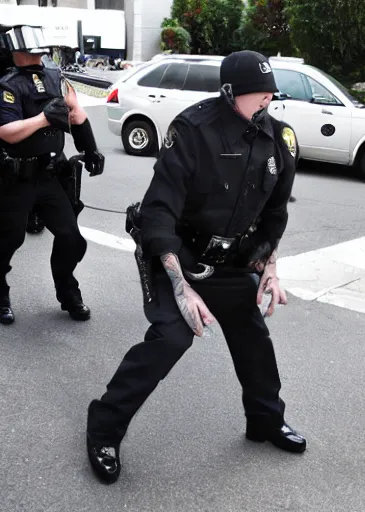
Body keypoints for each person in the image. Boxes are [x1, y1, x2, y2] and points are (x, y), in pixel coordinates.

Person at [86, 50, 306, 484]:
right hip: (178, 256)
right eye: (257, 96)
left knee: (253, 337)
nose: (266, 103)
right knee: (172, 336)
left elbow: (274, 212)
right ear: (229, 93)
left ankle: (264, 419)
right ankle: (104, 427)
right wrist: (182, 288)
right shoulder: (192, 130)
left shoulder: (278, 138)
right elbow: (158, 211)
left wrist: (270, 267)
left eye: (270, 95)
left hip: (230, 261)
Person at [0, 25, 105, 325]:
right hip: (15, 178)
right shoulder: (7, 86)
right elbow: (6, 132)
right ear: (15, 53)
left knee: (71, 237)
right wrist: (43, 118)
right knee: (8, 240)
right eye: (29, 51)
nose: (35, 55)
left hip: (49, 175)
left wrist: (90, 149)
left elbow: (75, 112)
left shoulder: (56, 77)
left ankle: (67, 292)